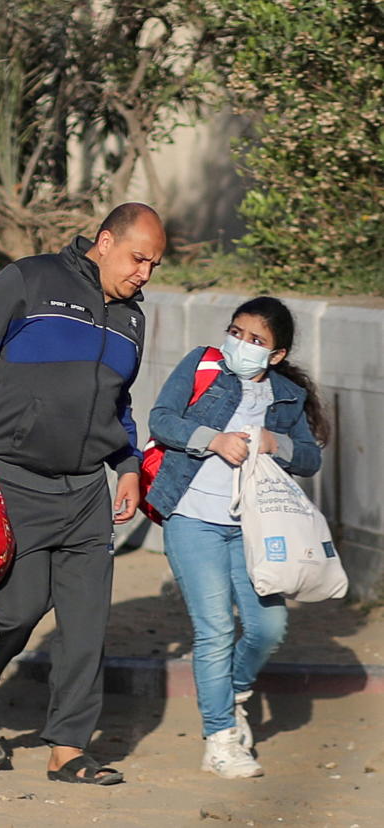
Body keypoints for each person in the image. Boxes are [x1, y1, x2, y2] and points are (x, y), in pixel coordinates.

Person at [0, 203, 164, 785]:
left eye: (154, 265)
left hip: (87, 488)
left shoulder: (133, 319)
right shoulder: (30, 279)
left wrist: (129, 465)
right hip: (12, 476)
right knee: (17, 609)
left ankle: (68, 748)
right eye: (138, 259)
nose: (144, 273)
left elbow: (117, 404)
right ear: (105, 241)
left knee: (86, 625)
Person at [146, 296, 327, 779]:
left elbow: (311, 459)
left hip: (254, 528)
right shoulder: (203, 365)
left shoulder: (285, 395)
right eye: (237, 332)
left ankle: (231, 690)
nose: (241, 345)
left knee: (269, 628)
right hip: (191, 516)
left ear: (276, 355)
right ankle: (221, 739)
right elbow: (161, 420)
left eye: (256, 341)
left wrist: (276, 443)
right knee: (215, 630)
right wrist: (212, 438)